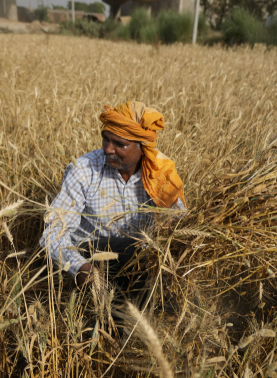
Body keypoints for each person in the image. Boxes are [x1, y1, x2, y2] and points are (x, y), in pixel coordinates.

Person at [40, 101, 185, 291]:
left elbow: (179, 222)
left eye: (120, 144)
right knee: (131, 253)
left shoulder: (160, 174)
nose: (108, 149)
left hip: (144, 262)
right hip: (91, 258)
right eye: (106, 139)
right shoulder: (83, 170)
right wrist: (82, 269)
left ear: (142, 148)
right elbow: (52, 235)